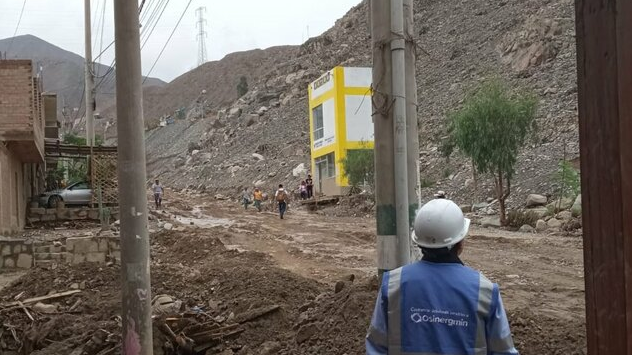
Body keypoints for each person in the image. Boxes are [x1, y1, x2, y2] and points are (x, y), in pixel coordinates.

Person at [366, 198, 518, 355]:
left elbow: (376, 348)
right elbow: (503, 351)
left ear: (418, 242)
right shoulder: (484, 290)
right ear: (460, 242)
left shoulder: (392, 285)